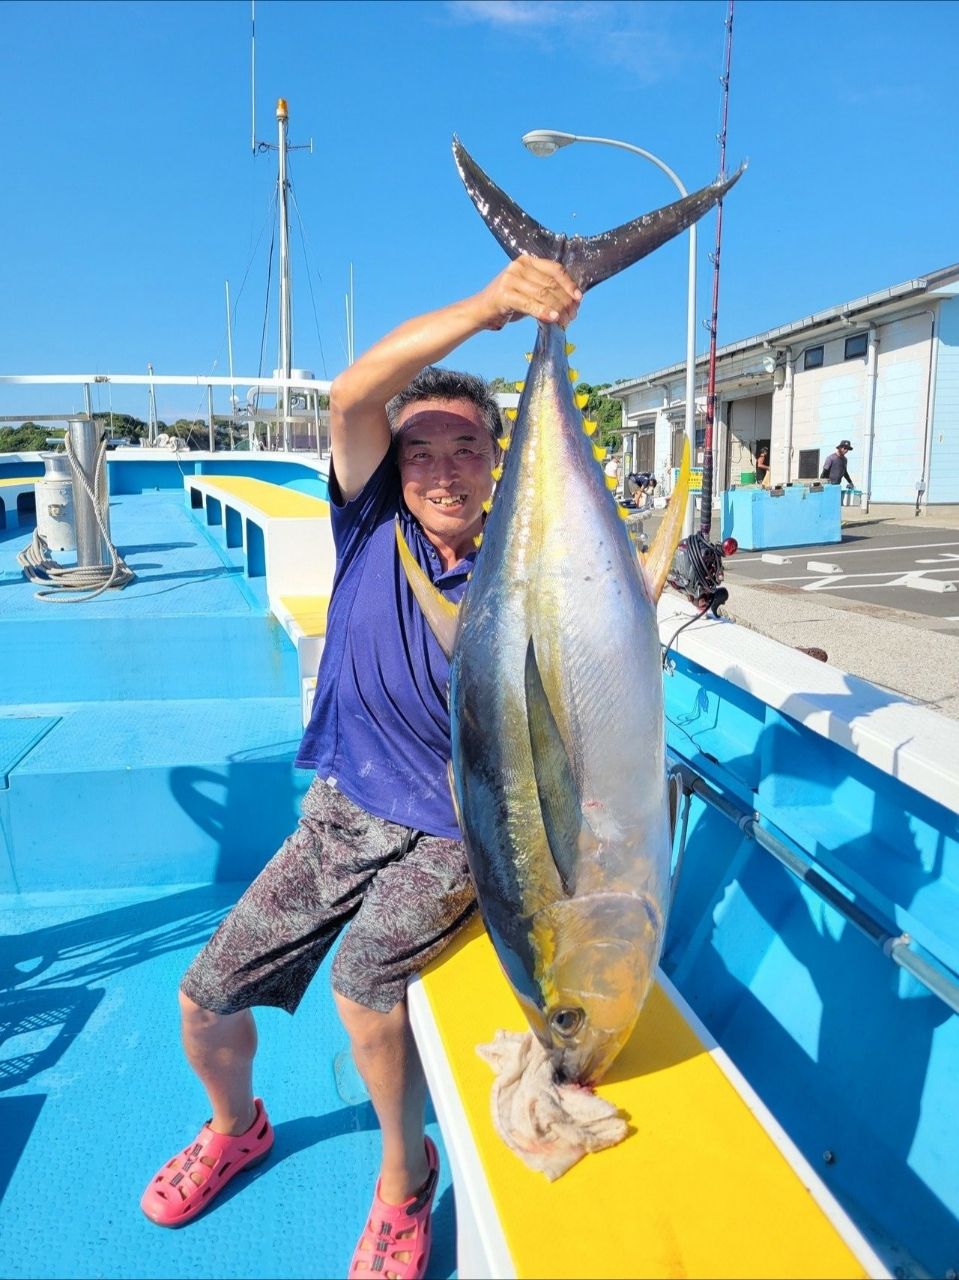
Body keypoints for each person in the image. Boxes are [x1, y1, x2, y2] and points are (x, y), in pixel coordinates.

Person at [138, 255, 581, 1280]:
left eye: (464, 449)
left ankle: (401, 1178)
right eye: (416, 448)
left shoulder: (526, 567)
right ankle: (234, 1125)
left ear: (496, 462)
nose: (437, 469)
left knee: (361, 984)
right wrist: (487, 307)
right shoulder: (370, 521)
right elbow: (350, 394)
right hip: (342, 808)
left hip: (455, 832)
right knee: (203, 997)